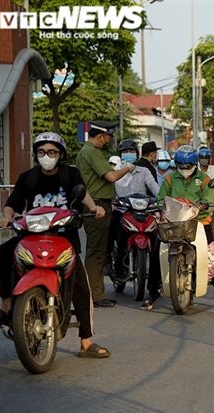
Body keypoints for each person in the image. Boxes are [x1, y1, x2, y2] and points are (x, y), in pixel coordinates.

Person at [0, 132, 110, 358]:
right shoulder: (28, 177)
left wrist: (93, 208)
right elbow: (13, 203)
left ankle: (86, 341)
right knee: (2, 252)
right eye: (41, 152)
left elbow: (83, 194)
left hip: (64, 237)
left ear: (60, 154)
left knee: (81, 285)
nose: (46, 156)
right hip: (32, 235)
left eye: (51, 152)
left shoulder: (69, 174)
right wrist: (7, 217)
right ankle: (6, 307)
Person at [142, 146, 214, 311]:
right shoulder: (170, 179)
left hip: (199, 222)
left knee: (210, 255)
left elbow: (208, 200)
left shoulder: (205, 179)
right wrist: (159, 206)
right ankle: (153, 292)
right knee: (157, 251)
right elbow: (161, 198)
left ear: (195, 165)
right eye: (181, 166)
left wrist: (202, 206)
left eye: (188, 167)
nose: (185, 170)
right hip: (174, 221)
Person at [76, 120, 136, 307]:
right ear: (100, 136)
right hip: (96, 205)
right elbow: (110, 177)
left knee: (98, 250)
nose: (109, 140)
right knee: (97, 252)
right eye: (108, 136)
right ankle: (95, 296)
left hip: (96, 203)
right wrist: (127, 168)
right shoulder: (92, 152)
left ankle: (96, 293)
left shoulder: (87, 151)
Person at [109, 139, 160, 278]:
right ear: (120, 154)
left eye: (131, 151)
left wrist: (163, 199)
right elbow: (109, 189)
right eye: (125, 152)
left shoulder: (144, 171)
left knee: (157, 236)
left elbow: (155, 188)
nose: (128, 154)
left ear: (137, 154)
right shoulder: (114, 172)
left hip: (142, 211)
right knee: (113, 230)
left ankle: (156, 275)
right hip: (121, 210)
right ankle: (113, 264)